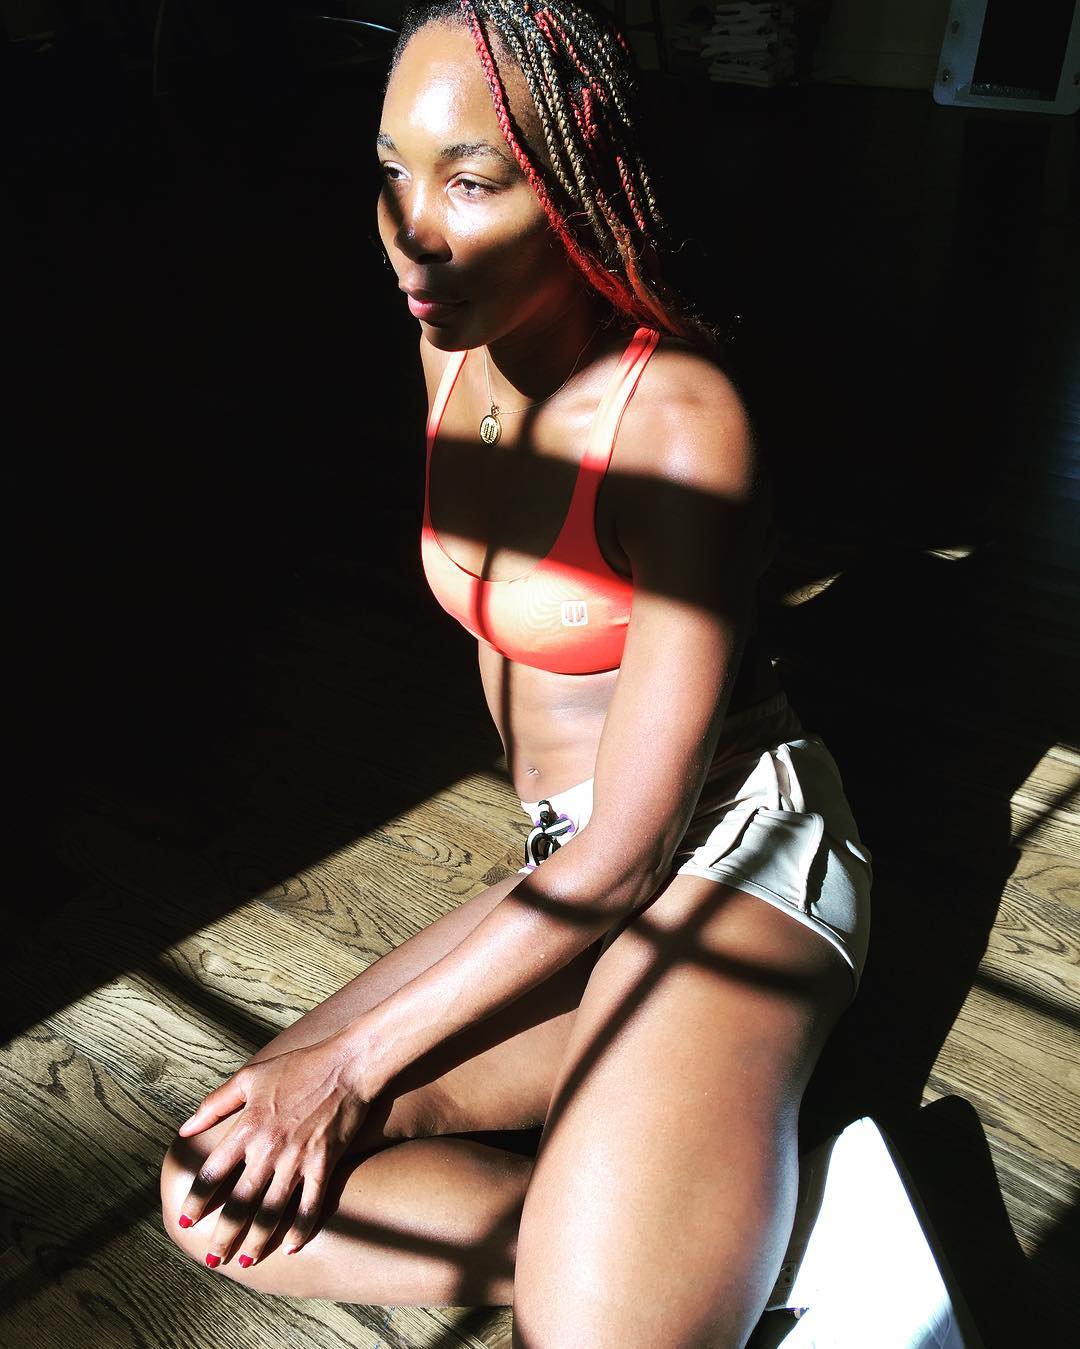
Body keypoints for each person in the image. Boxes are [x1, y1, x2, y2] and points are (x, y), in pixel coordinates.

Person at [160, 3, 873, 1343]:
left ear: (580, 187)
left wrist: (346, 1065)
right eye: (392, 171)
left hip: (721, 852)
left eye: (474, 180)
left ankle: (665, 1243)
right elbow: (580, 852)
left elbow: (633, 849)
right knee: (217, 1184)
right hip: (567, 856)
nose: (412, 230)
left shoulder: (681, 423)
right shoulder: (450, 346)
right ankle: (716, 1235)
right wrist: (319, 1083)